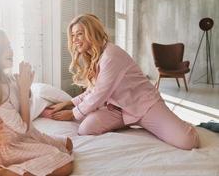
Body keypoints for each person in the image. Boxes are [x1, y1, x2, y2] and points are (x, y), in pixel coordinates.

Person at [41, 14, 199, 150]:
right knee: (85, 129)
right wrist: (68, 103)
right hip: (116, 109)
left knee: (188, 141)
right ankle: (127, 123)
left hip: (144, 105)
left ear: (92, 33)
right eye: (73, 35)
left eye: (79, 34)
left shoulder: (111, 55)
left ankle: (170, 121)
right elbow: (92, 91)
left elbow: (99, 95)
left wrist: (72, 113)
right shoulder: (94, 58)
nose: (75, 40)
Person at [0, 29, 73, 176]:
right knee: (65, 162)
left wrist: (27, 89)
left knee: (68, 144)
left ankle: (20, 168)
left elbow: (26, 113)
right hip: (12, 147)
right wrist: (23, 90)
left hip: (29, 135)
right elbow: (22, 127)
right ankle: (10, 172)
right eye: (3, 47)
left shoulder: (9, 80)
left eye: (9, 46)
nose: (10, 51)